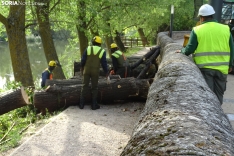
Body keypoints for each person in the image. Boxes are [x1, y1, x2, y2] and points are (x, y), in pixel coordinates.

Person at [176, 4, 234, 105]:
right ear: (212, 15)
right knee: (219, 97)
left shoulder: (197, 30)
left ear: (201, 17)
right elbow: (232, 49)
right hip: (222, 69)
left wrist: (182, 51)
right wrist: (230, 65)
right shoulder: (225, 28)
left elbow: (190, 49)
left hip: (205, 68)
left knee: (208, 98)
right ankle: (218, 117)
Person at [79, 36, 109, 110]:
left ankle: (81, 104)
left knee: (84, 85)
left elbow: (83, 60)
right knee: (94, 87)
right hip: (95, 71)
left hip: (86, 70)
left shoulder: (88, 48)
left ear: (93, 42)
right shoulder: (102, 51)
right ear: (100, 43)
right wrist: (107, 73)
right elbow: (104, 63)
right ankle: (94, 104)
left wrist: (81, 67)